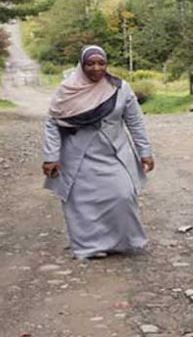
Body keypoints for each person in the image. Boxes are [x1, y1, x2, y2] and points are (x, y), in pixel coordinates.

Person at [42, 45, 155, 260]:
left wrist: (145, 152)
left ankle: (122, 242)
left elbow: (135, 122)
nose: (96, 68)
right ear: (81, 65)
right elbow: (52, 123)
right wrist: (51, 157)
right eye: (90, 64)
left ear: (107, 64)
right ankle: (89, 246)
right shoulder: (67, 90)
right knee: (82, 203)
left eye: (101, 63)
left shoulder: (120, 88)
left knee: (123, 194)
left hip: (114, 152)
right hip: (78, 156)